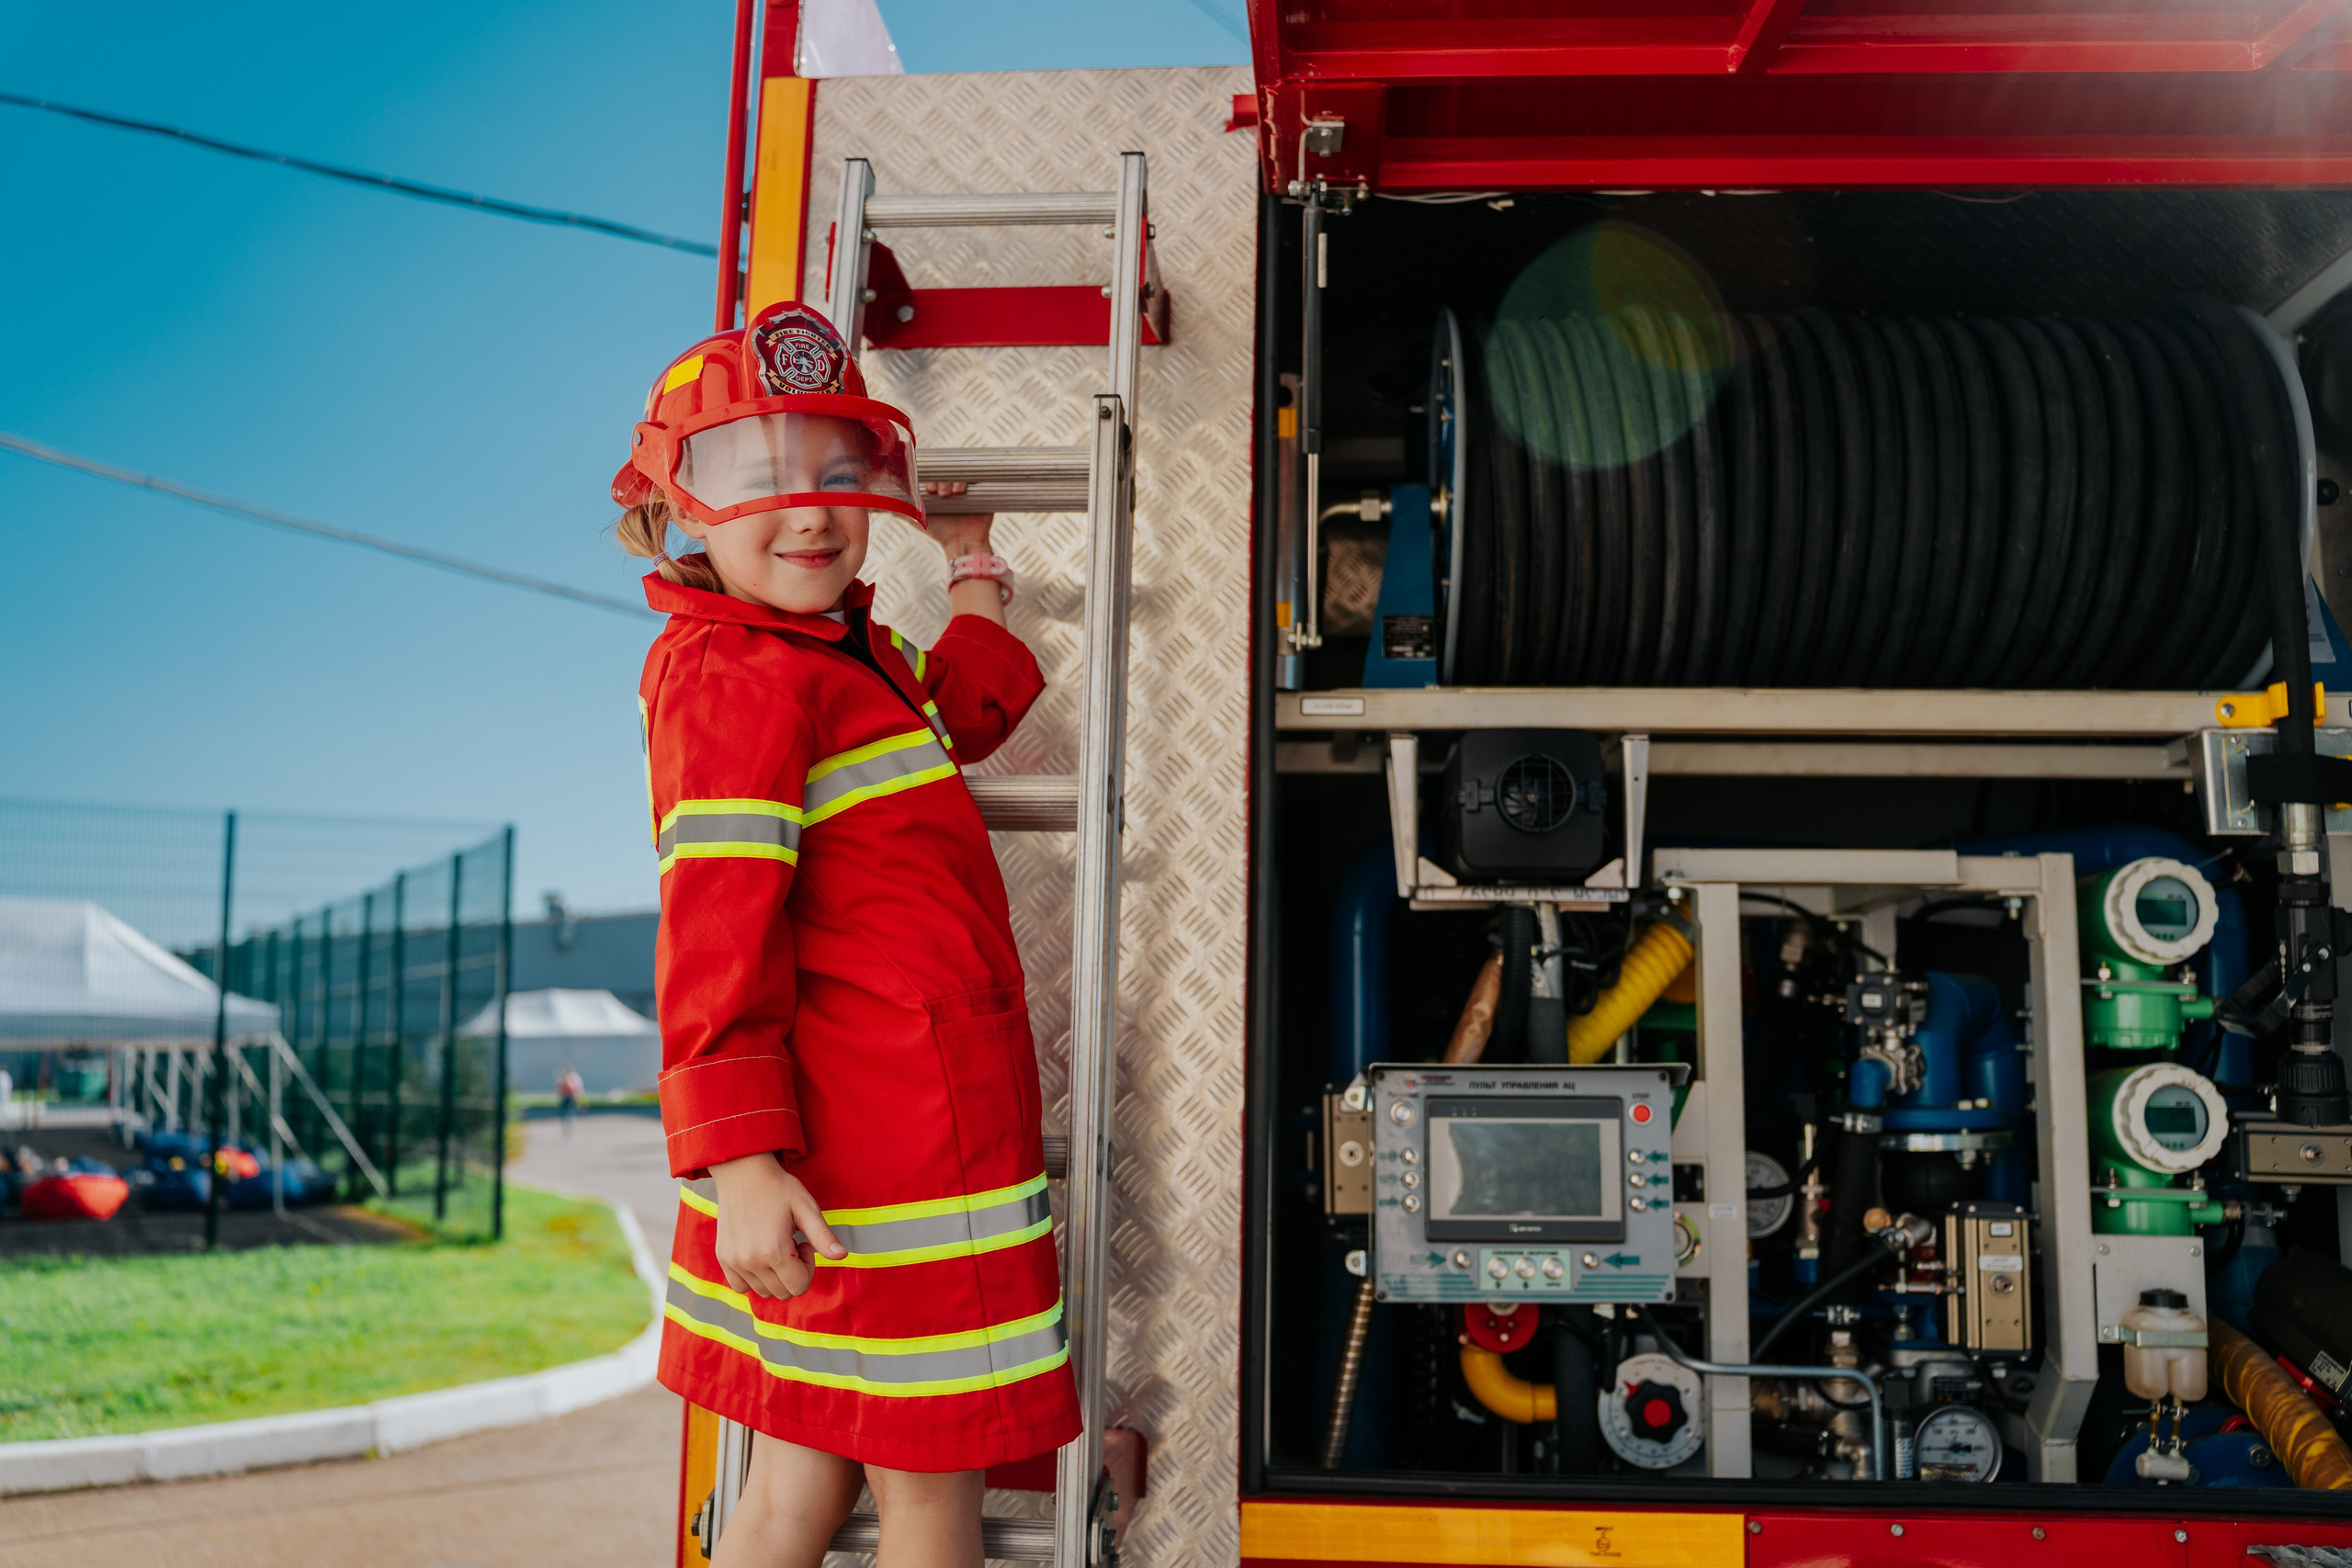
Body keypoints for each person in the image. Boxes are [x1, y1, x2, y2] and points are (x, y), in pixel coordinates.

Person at [612, 301, 1077, 1568]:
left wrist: (976, 572)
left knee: (794, 1492)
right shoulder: (736, 677)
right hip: (873, 1157)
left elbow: (968, 704)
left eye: (840, 472)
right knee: (933, 1508)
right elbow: (714, 932)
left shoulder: (845, 654)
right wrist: (741, 1162)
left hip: (878, 1148)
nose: (813, 511)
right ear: (672, 512)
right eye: (756, 479)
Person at [556, 1066, 584, 1138]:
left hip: (571, 1098)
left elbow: (577, 1089)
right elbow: (558, 1089)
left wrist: (578, 1098)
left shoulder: (574, 1078)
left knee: (570, 1112)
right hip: (565, 1098)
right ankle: (566, 1127)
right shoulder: (562, 1078)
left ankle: (570, 1127)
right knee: (564, 1113)